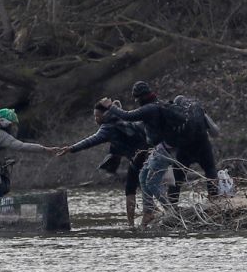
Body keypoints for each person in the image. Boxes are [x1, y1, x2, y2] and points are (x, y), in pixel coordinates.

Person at [57, 99, 149, 227]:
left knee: (130, 189)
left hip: (138, 158)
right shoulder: (123, 117)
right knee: (148, 183)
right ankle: (157, 211)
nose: (96, 119)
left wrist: (71, 148)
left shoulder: (107, 127)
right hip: (150, 152)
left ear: (105, 115)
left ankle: (132, 224)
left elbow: (91, 141)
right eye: (94, 116)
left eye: (97, 116)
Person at [99, 81, 180, 227]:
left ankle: (172, 212)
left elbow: (128, 116)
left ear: (141, 97)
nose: (136, 102)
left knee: (151, 182)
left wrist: (111, 106)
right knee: (143, 177)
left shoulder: (149, 108)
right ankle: (149, 213)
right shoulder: (157, 104)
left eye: (136, 99)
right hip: (161, 148)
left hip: (165, 148)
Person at [0, 108, 58, 199]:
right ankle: (1, 213)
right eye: (12, 124)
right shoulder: (1, 135)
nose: (14, 127)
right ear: (6, 123)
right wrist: (45, 149)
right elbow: (21, 146)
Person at [170, 94, 219, 200]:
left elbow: (171, 135)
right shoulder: (198, 108)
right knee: (210, 169)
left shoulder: (176, 112)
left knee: (177, 176)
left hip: (185, 147)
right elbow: (215, 132)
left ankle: (172, 204)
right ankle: (214, 198)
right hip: (203, 144)